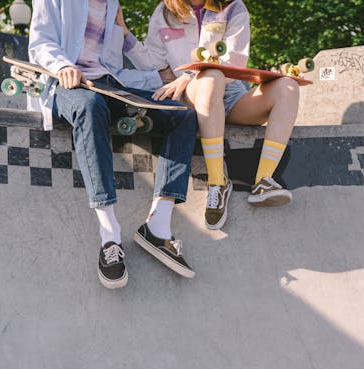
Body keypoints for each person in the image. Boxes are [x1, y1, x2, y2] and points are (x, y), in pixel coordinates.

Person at [28, 0, 198, 289]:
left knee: (182, 114)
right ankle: (110, 235)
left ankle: (158, 225)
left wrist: (161, 77)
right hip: (64, 87)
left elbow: (114, 66)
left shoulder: (112, 6)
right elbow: (40, 41)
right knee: (90, 106)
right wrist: (63, 65)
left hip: (108, 86)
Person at [119, 0, 300, 230]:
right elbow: (152, 61)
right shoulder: (164, 12)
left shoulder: (233, 7)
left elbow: (235, 60)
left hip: (231, 92)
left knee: (288, 86)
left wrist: (189, 74)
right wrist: (125, 33)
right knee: (210, 78)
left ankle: (263, 180)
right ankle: (218, 183)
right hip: (193, 94)